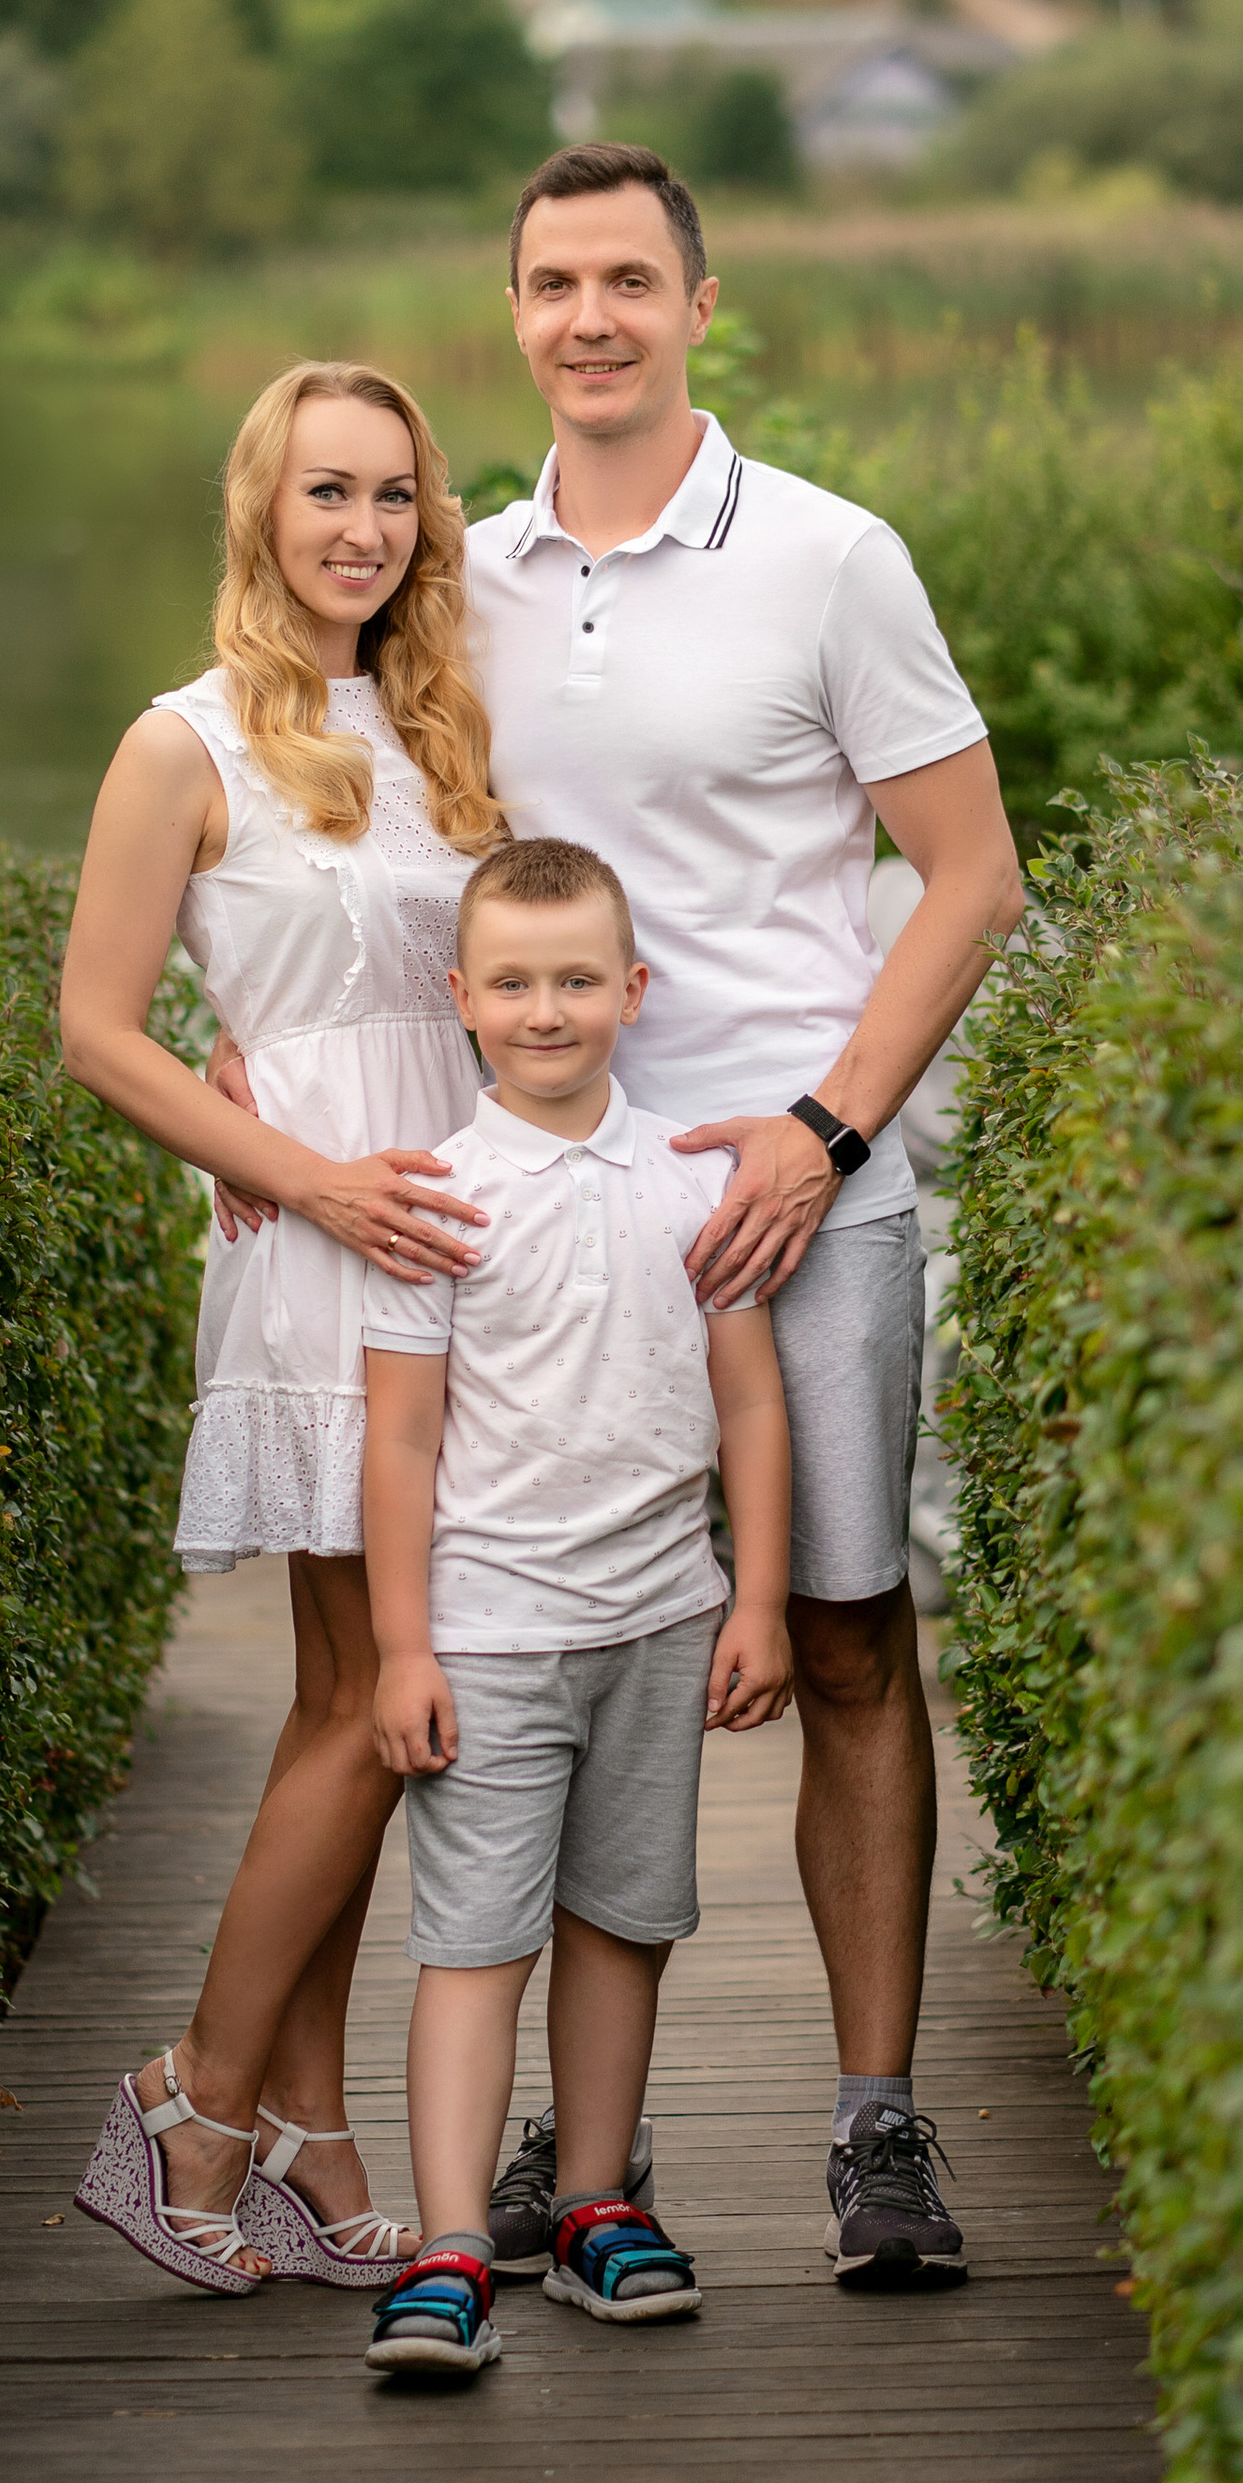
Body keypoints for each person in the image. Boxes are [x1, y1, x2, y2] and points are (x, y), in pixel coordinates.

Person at [472, 144, 1025, 2292]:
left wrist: (822, 1129)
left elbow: (967, 876)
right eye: (549, 283)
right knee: (563, 1656)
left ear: (705, 304)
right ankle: (566, 2134)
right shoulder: (458, 569)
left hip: (802, 1188)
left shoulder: (829, 560)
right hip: (547, 1216)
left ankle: (873, 2129)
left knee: (851, 1642)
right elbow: (330, 841)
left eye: (628, 278)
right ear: (511, 314)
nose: (587, 316)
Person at [59, 361, 507, 2294]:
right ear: (263, 509)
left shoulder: (444, 726)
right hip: (328, 1241)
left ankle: (311, 2135)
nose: (363, 530)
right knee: (360, 1703)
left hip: (458, 1230)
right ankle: (198, 2095)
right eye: (327, 492)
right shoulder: (184, 743)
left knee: (367, 1707)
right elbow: (93, 1027)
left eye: (394, 497)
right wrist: (283, 1157)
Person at [352, 835, 793, 2377]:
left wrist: (762, 1601)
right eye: (517, 984)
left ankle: (597, 2207)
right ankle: (454, 2243)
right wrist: (403, 1646)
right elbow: (398, 1439)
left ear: (633, 989)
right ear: (461, 997)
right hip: (488, 1629)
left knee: (623, 1922)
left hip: (663, 1618)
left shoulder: (692, 1180)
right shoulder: (438, 1198)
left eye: (580, 981)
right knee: (475, 1943)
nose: (549, 1012)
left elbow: (749, 1406)